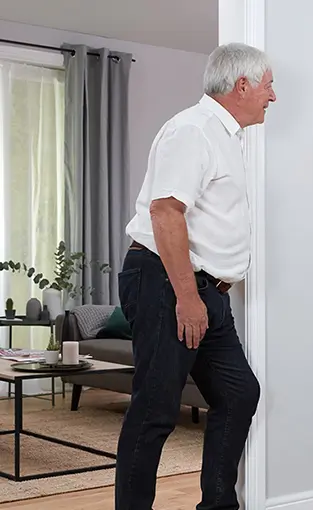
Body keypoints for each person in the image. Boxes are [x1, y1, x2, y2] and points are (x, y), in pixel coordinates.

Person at [114, 43, 276, 510]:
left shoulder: (228, 135)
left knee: (239, 393)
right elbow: (165, 211)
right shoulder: (193, 130)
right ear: (241, 86)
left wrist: (204, 295)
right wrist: (187, 297)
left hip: (208, 292)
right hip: (171, 283)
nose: (272, 96)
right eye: (268, 85)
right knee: (155, 412)